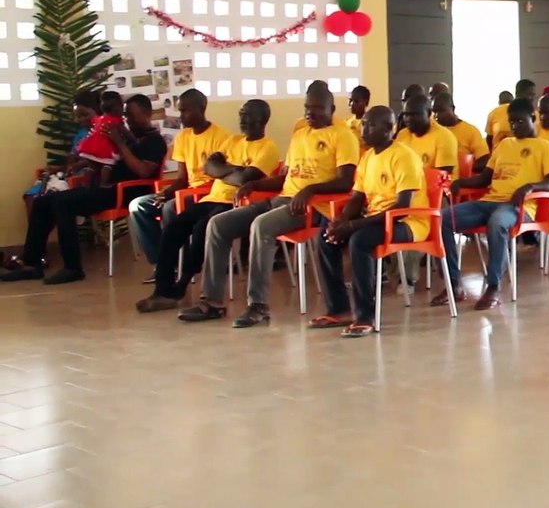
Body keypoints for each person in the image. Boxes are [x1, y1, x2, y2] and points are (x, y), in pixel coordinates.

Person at [178, 85, 359, 326]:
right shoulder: (300, 134)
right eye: (307, 108)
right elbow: (288, 177)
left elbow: (346, 181)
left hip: (314, 207)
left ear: (331, 109)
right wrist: (255, 185)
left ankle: (258, 306)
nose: (310, 113)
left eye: (317, 108)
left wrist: (311, 190)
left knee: (261, 226)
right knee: (218, 224)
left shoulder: (342, 135)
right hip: (284, 198)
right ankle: (211, 302)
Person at [135, 100, 279, 312]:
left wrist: (225, 169)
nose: (242, 120)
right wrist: (233, 170)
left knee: (202, 228)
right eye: (241, 114)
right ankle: (162, 291)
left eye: (247, 115)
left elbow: (245, 179)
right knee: (173, 227)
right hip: (211, 198)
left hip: (236, 204)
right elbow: (209, 167)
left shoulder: (268, 148)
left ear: (262, 119)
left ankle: (181, 285)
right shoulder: (233, 140)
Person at [5, 95, 166, 285]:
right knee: (42, 202)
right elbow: (108, 162)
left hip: (125, 192)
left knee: (63, 203)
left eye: (132, 116)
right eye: (126, 116)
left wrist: (120, 144)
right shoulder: (129, 137)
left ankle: (73, 268)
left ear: (147, 113)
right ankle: (31, 264)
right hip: (105, 188)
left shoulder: (155, 141)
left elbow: (144, 172)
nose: (128, 120)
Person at [314, 106, 429, 337]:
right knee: (325, 236)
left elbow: (403, 207)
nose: (364, 129)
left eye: (371, 125)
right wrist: (341, 221)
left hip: (409, 222)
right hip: (377, 218)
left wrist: (354, 226)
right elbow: (358, 197)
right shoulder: (367, 157)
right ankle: (339, 309)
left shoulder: (404, 156)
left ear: (389, 129)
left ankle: (365, 316)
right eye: (364, 123)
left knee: (359, 240)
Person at [438, 98, 549, 310]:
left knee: (497, 223)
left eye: (520, 121)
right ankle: (454, 284)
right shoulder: (504, 144)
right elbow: (485, 178)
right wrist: (461, 182)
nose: (515, 127)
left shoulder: (546, 147)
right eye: (512, 122)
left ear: (533, 118)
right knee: (444, 218)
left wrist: (529, 186)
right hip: (489, 202)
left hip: (519, 206)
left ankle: (493, 286)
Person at [128, 89, 230, 277]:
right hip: (188, 191)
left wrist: (174, 196)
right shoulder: (183, 137)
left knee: (170, 208)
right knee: (139, 206)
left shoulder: (221, 137)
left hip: (208, 194)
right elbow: (182, 178)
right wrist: (166, 192)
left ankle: (177, 264)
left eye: (185, 111)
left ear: (201, 109)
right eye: (180, 110)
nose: (181, 116)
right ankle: (163, 261)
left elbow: (221, 178)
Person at [395, 94, 459, 173]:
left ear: (428, 113)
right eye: (405, 114)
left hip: (438, 183)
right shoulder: (402, 135)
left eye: (414, 114)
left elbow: (442, 175)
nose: (408, 119)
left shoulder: (445, 137)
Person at [73, 90, 125, 179]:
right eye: (77, 116)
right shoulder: (82, 135)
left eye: (85, 115)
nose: (78, 120)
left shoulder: (113, 131)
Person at [431, 93, 490, 167]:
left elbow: (484, 159)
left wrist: (466, 168)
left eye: (441, 111)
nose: (436, 115)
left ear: (452, 108)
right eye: (434, 111)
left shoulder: (470, 131)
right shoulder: (430, 131)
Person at [486, 79, 537, 145]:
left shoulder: (536, 115)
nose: (532, 98)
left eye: (533, 95)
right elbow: (489, 138)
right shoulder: (495, 112)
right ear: (517, 94)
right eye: (529, 94)